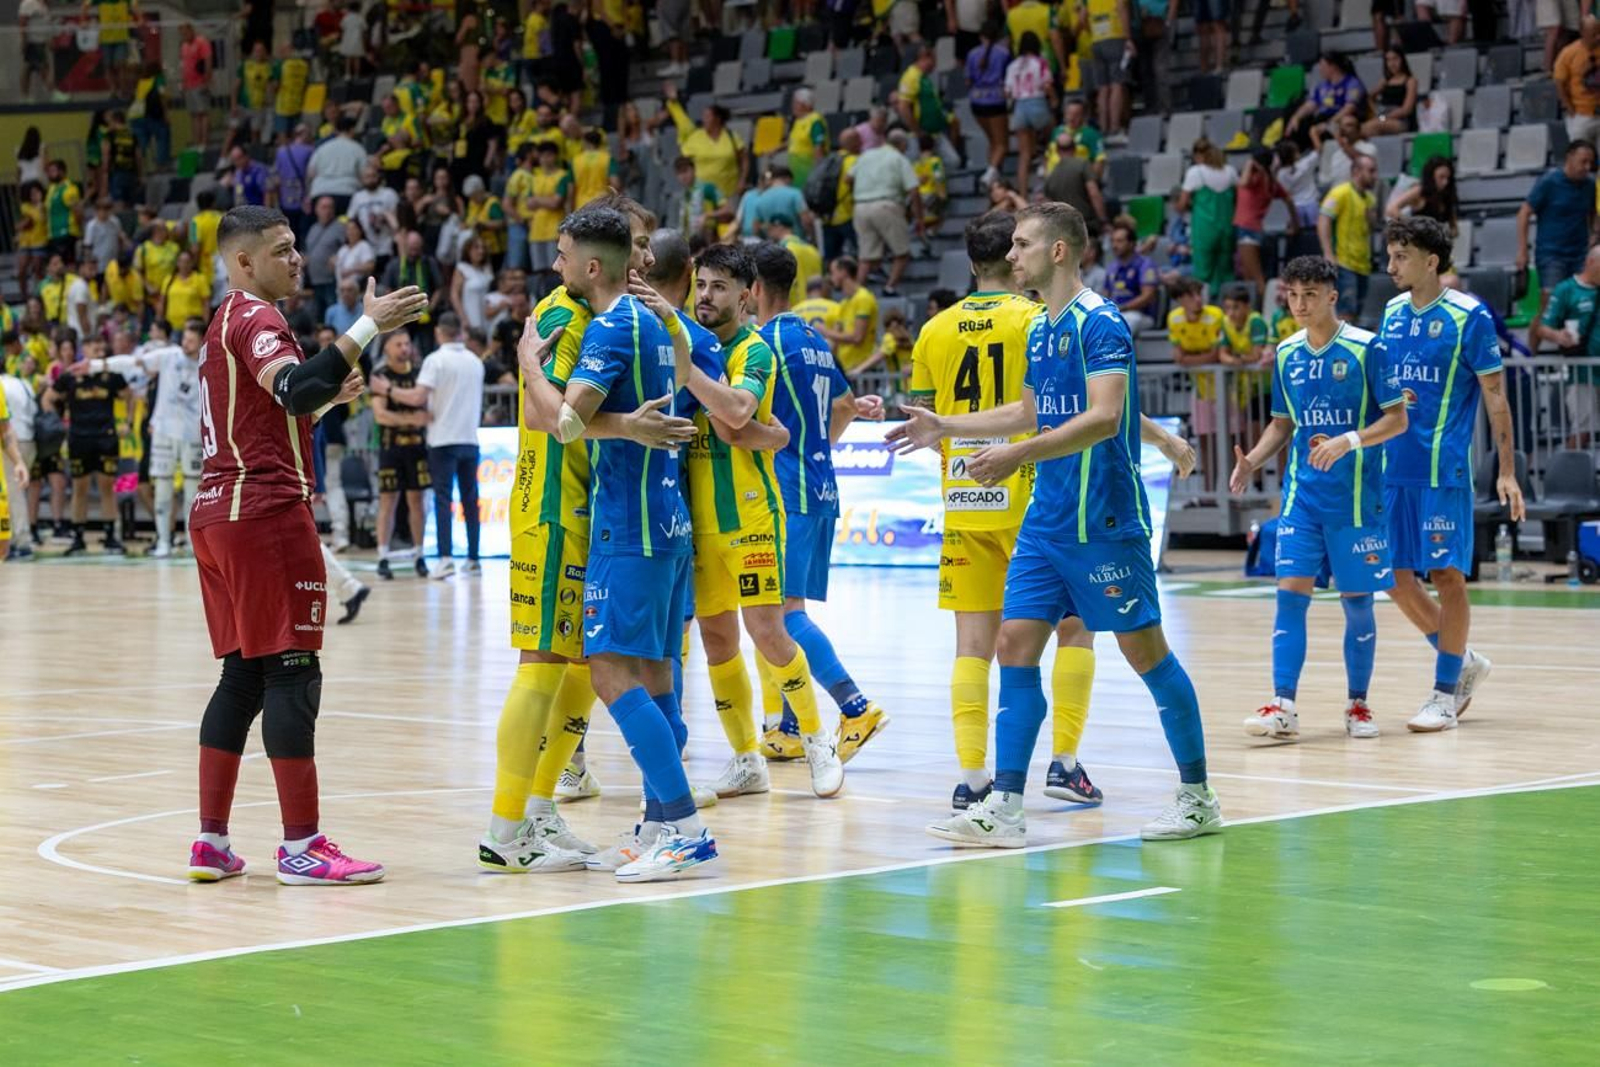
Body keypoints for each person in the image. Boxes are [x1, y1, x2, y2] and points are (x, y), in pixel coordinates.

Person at [894, 202, 1221, 844]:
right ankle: (1006, 805)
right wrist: (948, 426)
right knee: (1015, 644)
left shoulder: (1102, 325)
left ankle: (1197, 794)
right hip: (1045, 522)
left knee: (1145, 653)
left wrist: (1018, 454)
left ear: (1060, 251)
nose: (1011, 256)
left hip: (1103, 519)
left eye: (1022, 245)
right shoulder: (1041, 329)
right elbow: (1030, 411)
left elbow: (1104, 417)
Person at [183, 205, 426, 884]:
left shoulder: (224, 323)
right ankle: (301, 844)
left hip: (216, 511)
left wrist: (325, 400)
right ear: (243, 262)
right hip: (262, 512)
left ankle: (210, 841)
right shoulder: (257, 319)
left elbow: (287, 404)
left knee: (242, 677)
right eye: (283, 250)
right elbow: (291, 387)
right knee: (294, 671)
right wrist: (369, 324)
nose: (297, 259)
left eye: (296, 248)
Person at [517, 205, 718, 882]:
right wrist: (630, 422)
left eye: (564, 254)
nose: (557, 265)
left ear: (592, 267)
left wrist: (528, 366)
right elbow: (687, 365)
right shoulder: (659, 319)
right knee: (658, 674)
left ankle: (687, 828)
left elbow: (565, 425)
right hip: (668, 522)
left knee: (607, 671)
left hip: (626, 525)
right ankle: (659, 823)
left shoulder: (608, 326)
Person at [1229, 256, 1409, 739]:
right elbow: (1282, 424)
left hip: (1355, 501)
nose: (1301, 303)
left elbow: (1397, 419)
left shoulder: (1368, 349)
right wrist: (1255, 461)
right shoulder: (1287, 353)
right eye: (1293, 294)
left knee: (1357, 603)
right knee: (1289, 597)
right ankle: (1283, 703)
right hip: (1301, 500)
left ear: (1333, 295)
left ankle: (1358, 705)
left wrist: (1348, 440)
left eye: (1311, 294)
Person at [1379, 216, 1524, 732]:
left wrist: (1507, 472)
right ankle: (1460, 661)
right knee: (1394, 578)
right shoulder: (1392, 313)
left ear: (1431, 261)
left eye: (1401, 257)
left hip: (1444, 469)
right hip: (1393, 468)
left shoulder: (1470, 316)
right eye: (1390, 255)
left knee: (1447, 576)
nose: (1391, 266)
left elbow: (1496, 398)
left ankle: (1444, 693)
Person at [750, 242, 889, 759]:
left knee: (781, 617)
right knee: (790, 609)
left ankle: (855, 707)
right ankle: (788, 728)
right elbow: (848, 406)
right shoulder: (814, 339)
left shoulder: (762, 343)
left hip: (786, 490)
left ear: (754, 289)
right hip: (822, 483)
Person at [375, 313, 485, 576]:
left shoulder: (434, 361)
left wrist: (389, 390)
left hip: (441, 441)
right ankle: (473, 559)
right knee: (471, 500)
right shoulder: (475, 361)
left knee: (441, 499)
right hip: (470, 439)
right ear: (461, 331)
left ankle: (444, 557)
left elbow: (417, 397)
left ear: (438, 332)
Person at [86, 319, 204, 557]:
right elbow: (132, 362)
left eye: (191, 340)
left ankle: (194, 544)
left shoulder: (210, 361)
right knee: (162, 489)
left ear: (202, 341)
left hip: (193, 433)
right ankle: (163, 541)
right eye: (184, 339)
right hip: (162, 430)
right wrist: (96, 366)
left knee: (193, 492)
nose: (186, 344)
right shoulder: (170, 355)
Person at [45, 335, 129, 556]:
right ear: (84, 349)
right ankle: (78, 537)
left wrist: (127, 423)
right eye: (93, 346)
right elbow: (48, 397)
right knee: (79, 488)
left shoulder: (111, 375)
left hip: (106, 437)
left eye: (101, 345)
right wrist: (58, 422)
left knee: (106, 486)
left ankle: (111, 536)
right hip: (78, 438)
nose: (99, 349)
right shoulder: (71, 375)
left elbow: (128, 395)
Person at [369, 331, 432, 581]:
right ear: (386, 348)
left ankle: (419, 554)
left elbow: (427, 411)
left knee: (418, 500)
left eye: (407, 343)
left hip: (417, 447)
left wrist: (414, 418)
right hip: (391, 447)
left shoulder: (420, 373)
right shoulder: (380, 376)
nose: (404, 348)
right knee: (388, 501)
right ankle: (383, 555)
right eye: (398, 344)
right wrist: (410, 419)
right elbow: (380, 416)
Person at [1533, 243, 1600, 448]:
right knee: (1582, 433)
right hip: (1583, 374)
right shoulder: (1566, 290)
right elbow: (1542, 328)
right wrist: (1559, 336)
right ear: (1590, 262)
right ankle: (1568, 478)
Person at [1167, 276, 1231, 491]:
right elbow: (1178, 357)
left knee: (1231, 442)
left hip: (1228, 390)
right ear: (1180, 300)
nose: (1197, 299)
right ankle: (1209, 491)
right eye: (1191, 295)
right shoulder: (1174, 319)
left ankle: (1234, 492)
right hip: (1202, 391)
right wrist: (1198, 358)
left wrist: (1190, 359)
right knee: (1205, 442)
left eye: (1198, 293)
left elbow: (1216, 355)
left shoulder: (1215, 315)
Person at [1516, 139, 1598, 300]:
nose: (1587, 167)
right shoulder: (1549, 182)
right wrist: (1523, 250)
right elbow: (1524, 213)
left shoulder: (1589, 185)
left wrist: (1594, 234)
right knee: (1550, 303)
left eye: (1591, 163)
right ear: (1570, 157)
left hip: (1580, 254)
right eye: (1583, 162)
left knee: (1581, 301)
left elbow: (1592, 212)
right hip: (1551, 255)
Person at [1318, 152, 1380, 323]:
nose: (1375, 176)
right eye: (1371, 171)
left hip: (1363, 265)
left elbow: (1371, 229)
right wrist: (1328, 253)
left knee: (1356, 314)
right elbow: (1323, 220)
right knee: (1345, 313)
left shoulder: (1370, 199)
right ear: (1357, 172)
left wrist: (1372, 220)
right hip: (1343, 263)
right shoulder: (1340, 193)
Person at [660, 82, 747, 201]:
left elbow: (744, 159)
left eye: (707, 116)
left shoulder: (732, 136)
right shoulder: (695, 136)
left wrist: (742, 180)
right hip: (702, 196)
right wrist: (674, 103)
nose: (704, 119)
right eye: (703, 116)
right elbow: (683, 122)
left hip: (729, 193)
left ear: (717, 119)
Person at [1178, 138, 1238, 294]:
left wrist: (1187, 206)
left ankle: (1204, 310)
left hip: (1204, 230)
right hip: (1227, 228)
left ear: (1198, 155)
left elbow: (1182, 204)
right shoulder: (1230, 171)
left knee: (1203, 274)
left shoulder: (1195, 172)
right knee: (1226, 271)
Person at [1234, 150, 1295, 298]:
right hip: (1255, 229)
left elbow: (1242, 183)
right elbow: (1289, 200)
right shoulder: (1271, 181)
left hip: (1246, 229)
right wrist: (1295, 223)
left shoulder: (1256, 178)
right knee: (1250, 278)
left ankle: (1269, 308)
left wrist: (1250, 163)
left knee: (1257, 278)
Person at [1005, 31, 1057, 198]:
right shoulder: (1040, 62)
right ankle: (1045, 168)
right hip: (1037, 102)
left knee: (1024, 154)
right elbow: (1047, 85)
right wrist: (1054, 99)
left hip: (1019, 107)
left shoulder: (1012, 66)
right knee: (1052, 139)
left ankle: (1022, 193)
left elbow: (1007, 92)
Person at [1286, 52, 1368, 148]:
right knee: (1296, 124)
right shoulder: (1322, 86)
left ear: (1333, 66)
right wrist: (1296, 117)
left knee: (1327, 130)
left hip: (1340, 118)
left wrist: (1329, 123)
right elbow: (1310, 105)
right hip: (1323, 117)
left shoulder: (1352, 83)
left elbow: (1349, 108)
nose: (1320, 69)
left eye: (1322, 66)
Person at [965, 21, 1012, 187]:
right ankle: (991, 172)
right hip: (996, 100)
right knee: (1002, 144)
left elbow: (968, 80)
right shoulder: (1004, 53)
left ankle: (994, 176)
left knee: (992, 141)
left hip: (977, 101)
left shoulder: (972, 54)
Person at [1078, 0, 1133, 138]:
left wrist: (1091, 32)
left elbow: (1082, 18)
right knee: (1117, 84)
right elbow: (1121, 9)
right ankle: (1115, 126)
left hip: (1097, 40)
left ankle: (1103, 126)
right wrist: (1128, 38)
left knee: (1103, 88)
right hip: (1115, 37)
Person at [820, 256, 879, 377]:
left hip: (862, 371)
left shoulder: (863, 298)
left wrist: (824, 331)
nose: (831, 278)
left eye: (833, 272)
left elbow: (857, 337)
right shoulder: (844, 304)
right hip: (846, 369)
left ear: (843, 272)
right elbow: (835, 338)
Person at [1106, 221, 1159, 333]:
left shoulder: (1145, 265)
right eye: (1113, 241)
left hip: (1141, 315)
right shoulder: (1112, 267)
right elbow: (1106, 295)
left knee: (1127, 320)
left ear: (1131, 243)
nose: (1114, 245)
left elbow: (1148, 296)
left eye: (1119, 241)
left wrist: (1123, 308)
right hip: (1116, 313)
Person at [1385, 156, 1460, 236]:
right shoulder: (1420, 191)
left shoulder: (1447, 196)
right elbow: (1391, 209)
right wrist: (1412, 227)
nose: (1445, 182)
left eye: (1448, 178)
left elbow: (1454, 229)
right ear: (1432, 176)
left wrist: (1445, 233)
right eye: (1441, 177)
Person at [1554, 16, 1600, 145]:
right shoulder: (1568, 53)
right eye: (1594, 34)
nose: (1598, 37)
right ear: (1583, 33)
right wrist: (1569, 108)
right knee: (1581, 154)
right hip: (1581, 114)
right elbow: (1559, 82)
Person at [1362, 48, 1418, 138]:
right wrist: (1377, 111)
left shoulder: (1410, 81)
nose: (1392, 64)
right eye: (1388, 60)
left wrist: (1385, 117)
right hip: (1383, 117)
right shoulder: (1385, 81)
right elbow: (1370, 97)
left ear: (1402, 60)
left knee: (1371, 126)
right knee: (1364, 127)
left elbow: (1407, 109)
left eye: (1395, 59)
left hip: (1402, 120)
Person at [179, 23, 214, 148]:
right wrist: (183, 83)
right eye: (182, 34)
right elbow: (183, 66)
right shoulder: (183, 46)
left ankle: (204, 141)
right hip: (189, 85)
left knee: (203, 113)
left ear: (191, 30)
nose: (184, 36)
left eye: (186, 33)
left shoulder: (202, 42)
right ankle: (196, 141)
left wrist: (207, 80)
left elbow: (208, 61)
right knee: (193, 114)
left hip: (200, 83)